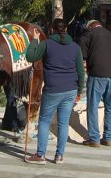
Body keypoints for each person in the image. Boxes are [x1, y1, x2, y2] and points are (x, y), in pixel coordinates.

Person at [23, 18, 85, 165]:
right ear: (66, 30)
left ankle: (40, 155)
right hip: (70, 89)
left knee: (44, 121)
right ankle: (59, 156)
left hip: (53, 89)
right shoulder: (75, 47)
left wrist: (34, 40)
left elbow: (30, 56)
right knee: (63, 123)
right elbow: (81, 72)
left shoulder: (47, 44)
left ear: (51, 30)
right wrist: (79, 91)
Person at [79, 19, 111, 147]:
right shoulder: (110, 35)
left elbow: (81, 51)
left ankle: (94, 138)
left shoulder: (89, 33)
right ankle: (108, 138)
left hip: (97, 74)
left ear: (90, 26)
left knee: (93, 106)